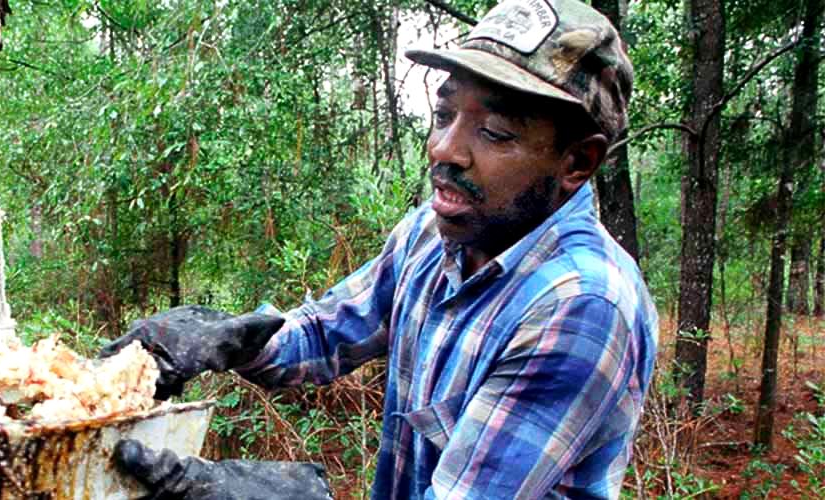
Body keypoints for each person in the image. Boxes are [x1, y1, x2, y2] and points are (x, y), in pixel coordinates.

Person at [99, 0, 657, 498]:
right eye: (444, 116)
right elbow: (324, 334)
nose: (444, 148)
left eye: (495, 133)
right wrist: (224, 340)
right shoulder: (434, 234)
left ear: (577, 162)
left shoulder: (583, 306)